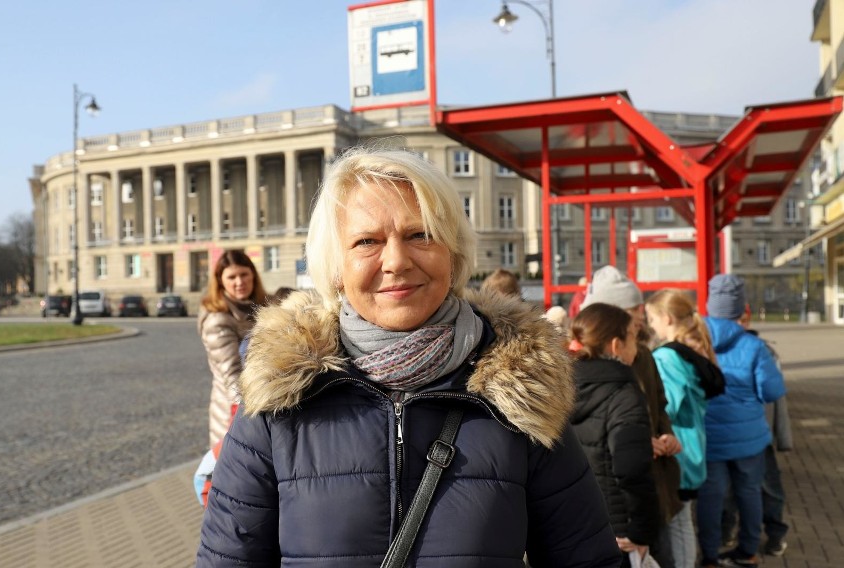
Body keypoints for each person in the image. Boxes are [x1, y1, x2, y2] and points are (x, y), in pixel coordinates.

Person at [197, 147, 621, 567]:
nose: (397, 261)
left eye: (421, 235)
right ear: (335, 267)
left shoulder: (525, 393)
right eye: (367, 242)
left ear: (453, 255)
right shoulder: (280, 399)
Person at [582, 265, 682, 568]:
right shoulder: (580, 371)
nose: (640, 315)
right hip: (623, 506)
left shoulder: (644, 355)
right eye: (632, 309)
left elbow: (658, 404)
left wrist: (666, 435)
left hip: (653, 484)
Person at [696, 274, 786, 568]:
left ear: (710, 305)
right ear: (741, 308)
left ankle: (709, 555)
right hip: (750, 439)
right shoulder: (753, 346)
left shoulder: (696, 340)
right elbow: (772, 390)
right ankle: (747, 551)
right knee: (749, 492)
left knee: (711, 496)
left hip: (710, 438)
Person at [568, 303, 660, 568]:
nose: (637, 343)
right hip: (617, 532)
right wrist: (642, 530)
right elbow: (632, 468)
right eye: (633, 336)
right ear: (616, 345)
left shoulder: (557, 387)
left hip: (568, 525)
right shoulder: (624, 396)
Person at [645, 288, 724, 568]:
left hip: (677, 452)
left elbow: (668, 405)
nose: (650, 326)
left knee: (678, 527)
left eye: (652, 319)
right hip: (693, 449)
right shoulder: (696, 348)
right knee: (684, 524)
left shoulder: (667, 357)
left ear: (666, 318)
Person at [721, 306, 792, 558]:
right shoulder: (712, 347)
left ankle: (774, 533)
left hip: (757, 436)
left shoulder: (762, 350)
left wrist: (781, 437)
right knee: (729, 488)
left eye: (739, 319)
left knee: (766, 486)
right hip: (733, 435)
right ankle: (728, 530)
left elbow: (777, 398)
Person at [197, 249, 267, 448]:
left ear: (253, 274)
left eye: (244, 274)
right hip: (234, 411)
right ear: (220, 281)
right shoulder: (217, 319)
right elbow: (232, 376)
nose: (239, 282)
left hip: (255, 404)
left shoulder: (261, 307)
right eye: (232, 277)